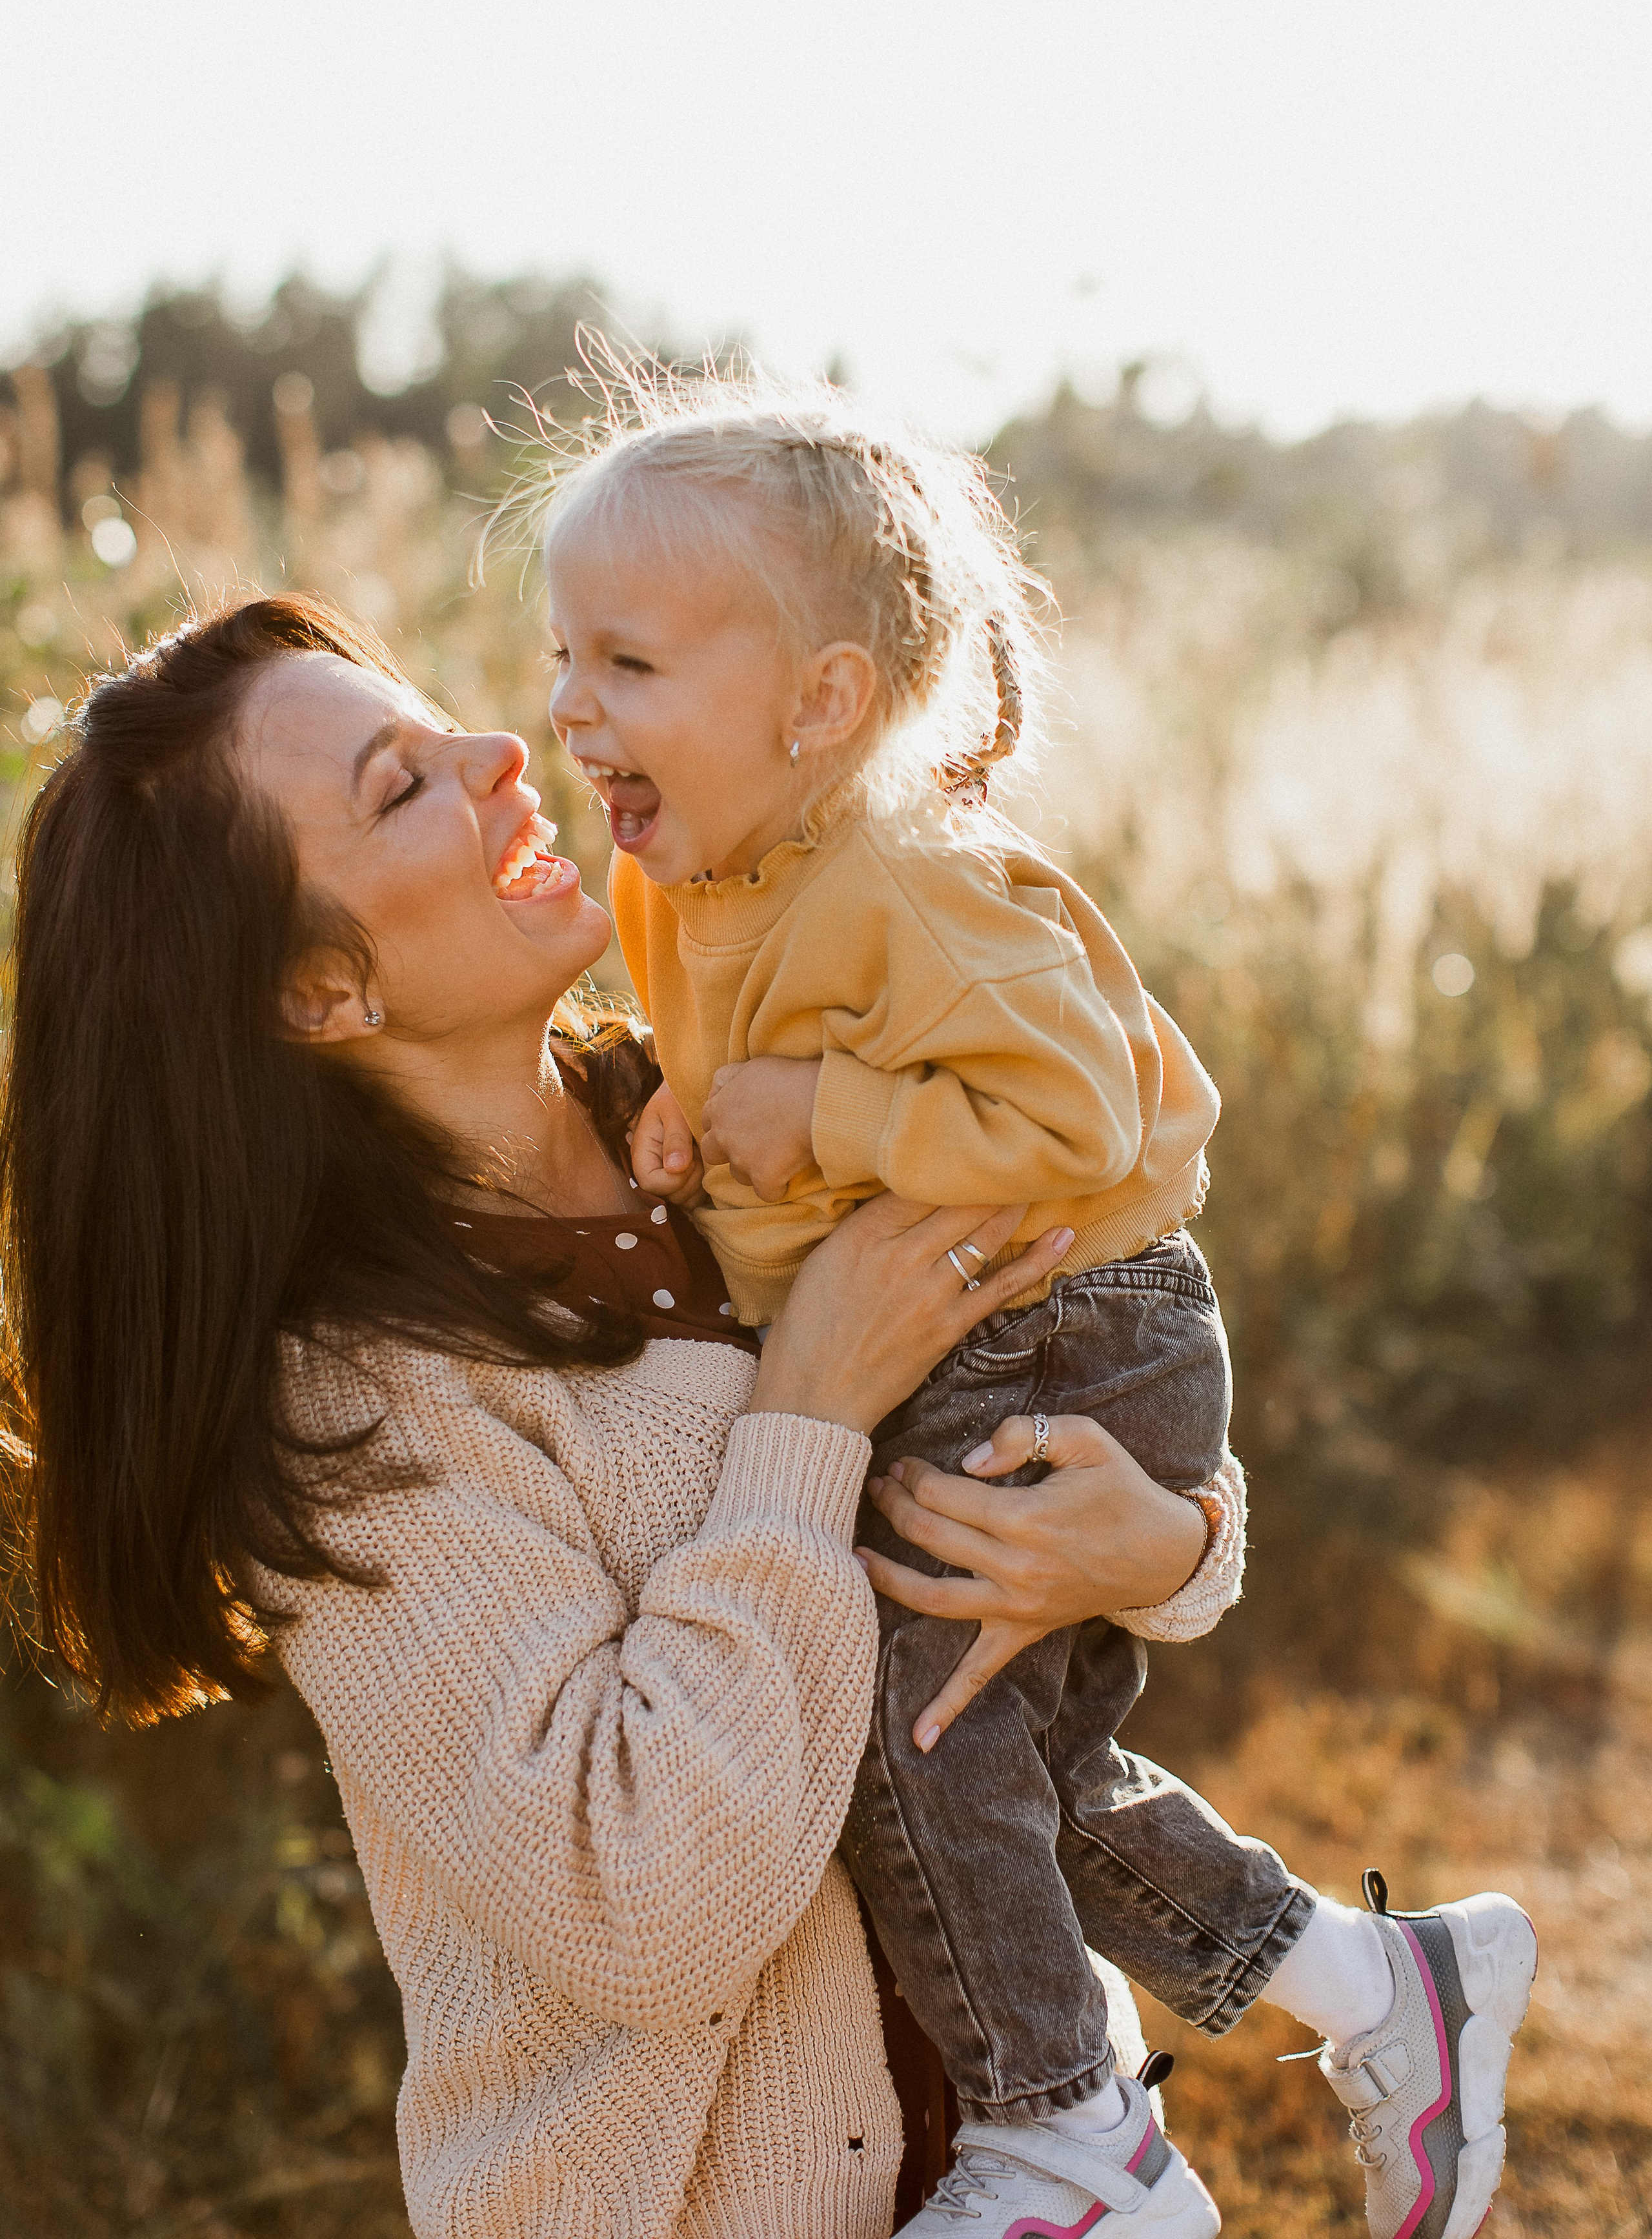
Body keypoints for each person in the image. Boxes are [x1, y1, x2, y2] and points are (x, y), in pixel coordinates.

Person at [3, 594, 1245, 2239]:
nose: (503, 754)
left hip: (1056, 2172)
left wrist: (1166, 1543)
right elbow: (641, 1898)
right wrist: (805, 1413)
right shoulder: (357, 1410)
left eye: (441, 721)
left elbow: (1101, 1365)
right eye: (401, 787)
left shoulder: (740, 1125)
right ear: (319, 991)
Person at [534, 367, 1538, 2239]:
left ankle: (1067, 2125)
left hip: (1077, 1315)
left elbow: (1074, 1114)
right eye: (563, 655)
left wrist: (815, 1114)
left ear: (824, 704)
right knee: (996, 1755)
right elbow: (769, 1077)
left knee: (921, 1730)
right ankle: (1378, 1991)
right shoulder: (683, 882)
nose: (572, 705)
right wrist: (702, 1124)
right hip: (966, 1319)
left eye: (627, 664)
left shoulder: (920, 876)